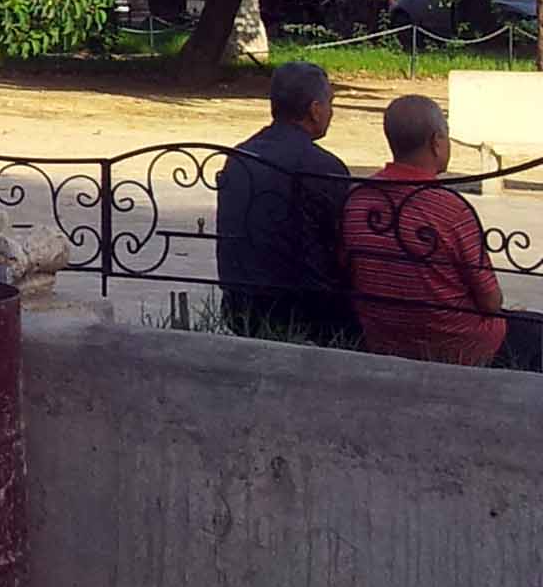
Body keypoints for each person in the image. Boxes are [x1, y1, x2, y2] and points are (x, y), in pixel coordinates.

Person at [340, 91, 504, 368]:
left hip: (384, 339)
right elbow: (491, 302)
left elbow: (347, 271)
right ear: (436, 142)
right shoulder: (450, 210)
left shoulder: (357, 199)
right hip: (460, 346)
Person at [214, 60, 351, 342]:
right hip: (301, 312)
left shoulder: (240, 156)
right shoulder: (322, 166)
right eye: (329, 103)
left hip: (240, 303)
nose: (331, 112)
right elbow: (342, 244)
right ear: (315, 110)